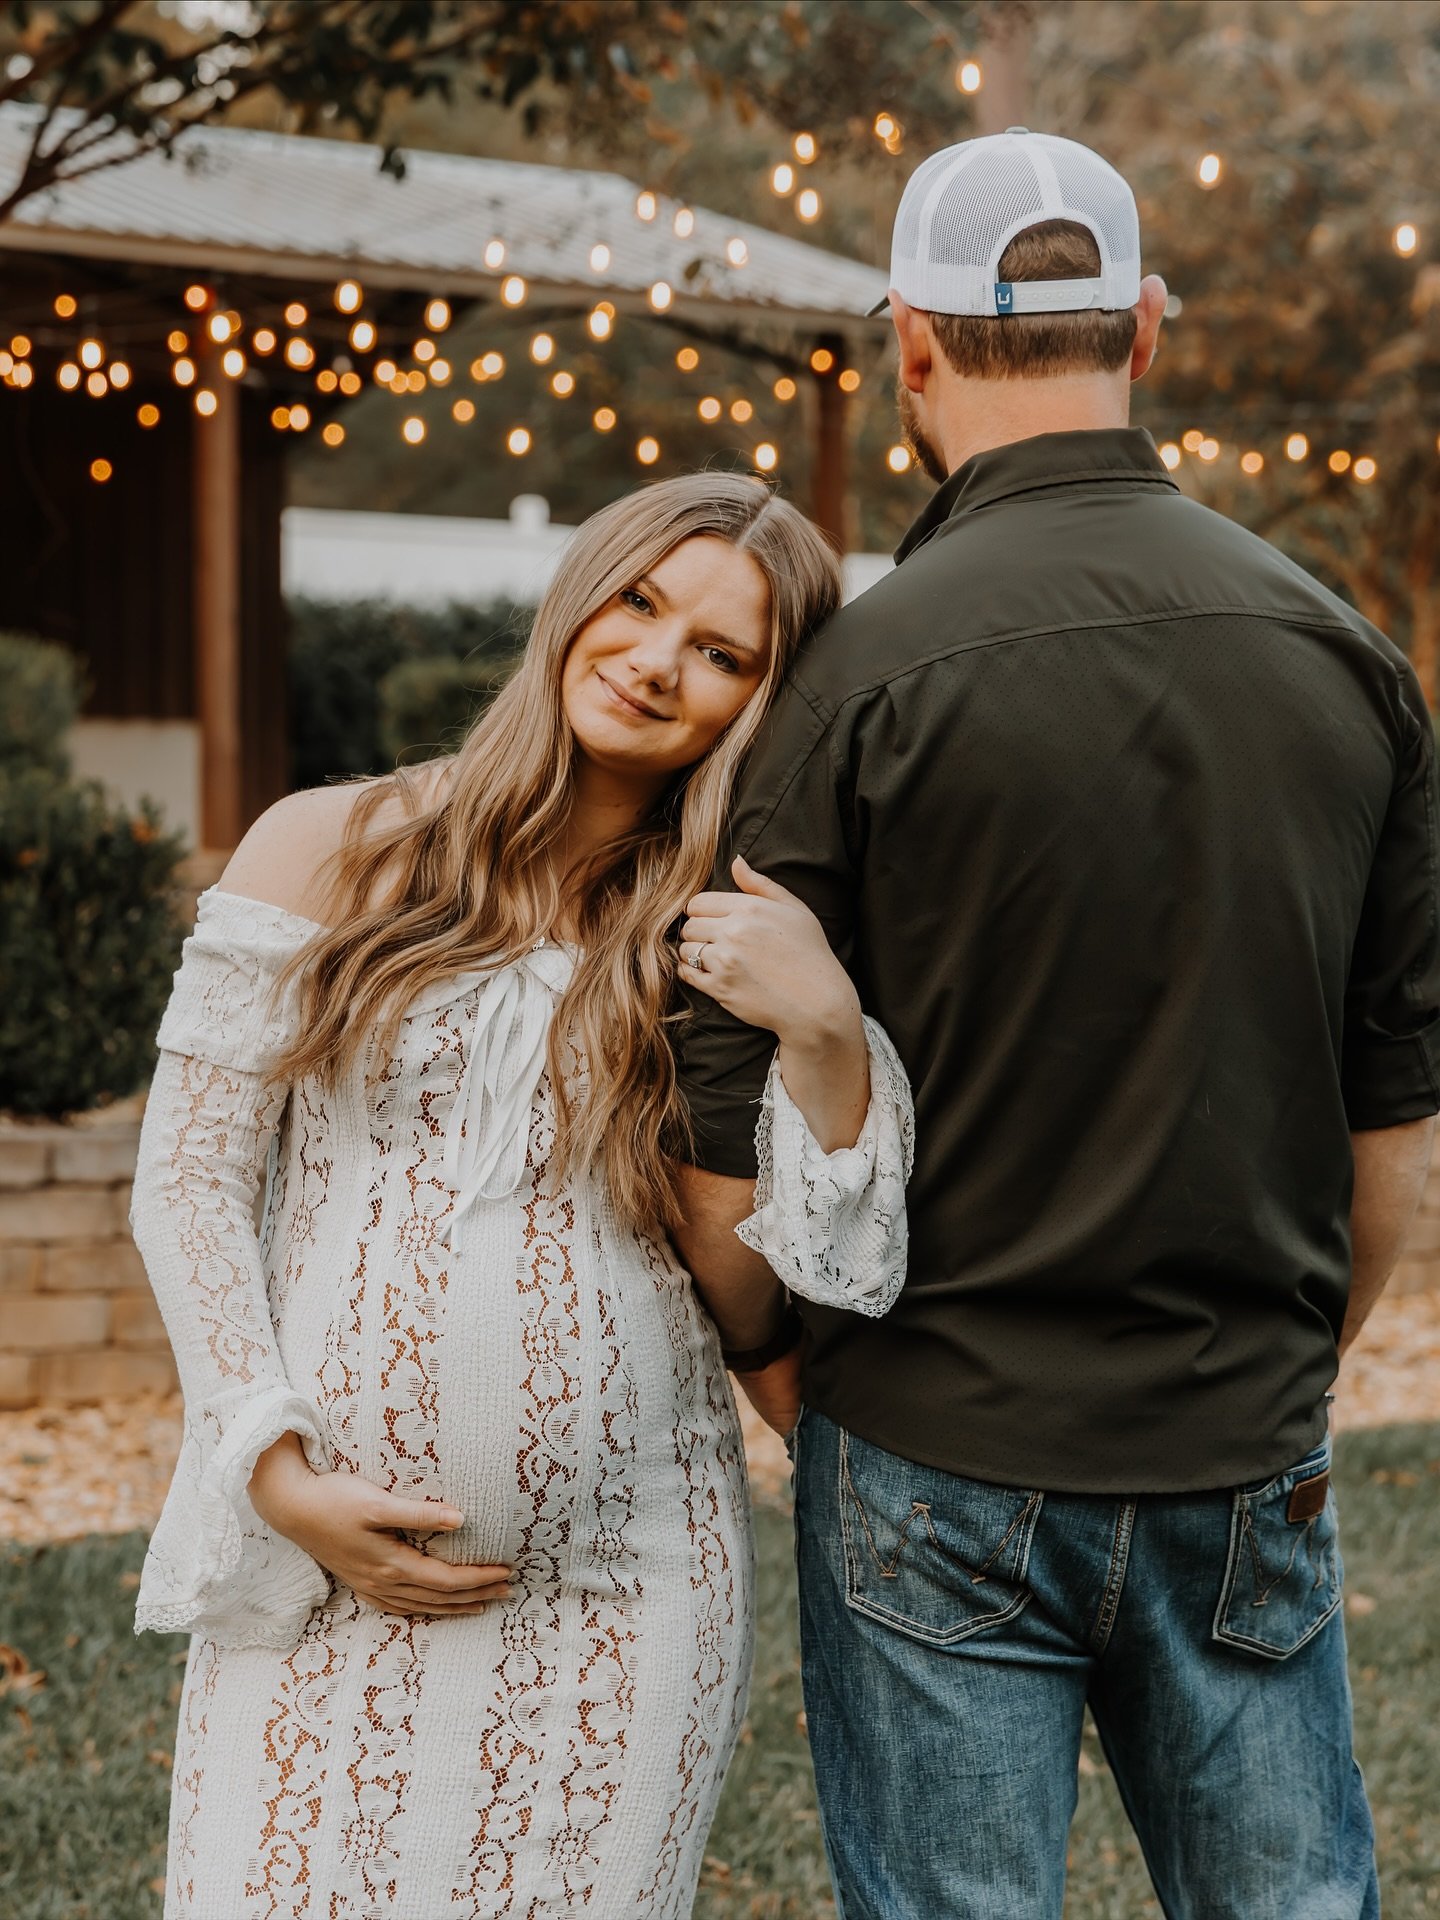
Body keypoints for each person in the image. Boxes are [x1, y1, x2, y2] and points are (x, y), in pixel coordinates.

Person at [673, 129, 1440, 1920]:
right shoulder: (1348, 660)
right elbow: (1393, 1142)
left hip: (927, 1439)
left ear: (911, 342)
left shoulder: (847, 680)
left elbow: (718, 1137)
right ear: (1148, 327)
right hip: (1237, 1437)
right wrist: (1273, 1381)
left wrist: (791, 1379)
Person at [129, 472, 913, 1920]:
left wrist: (822, 1031)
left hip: (631, 1594)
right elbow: (187, 1180)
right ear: (576, 596)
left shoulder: (727, 928)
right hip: (327, 1566)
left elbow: (811, 1256)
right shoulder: (329, 843)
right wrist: (272, 1470)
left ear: (764, 700)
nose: (657, 662)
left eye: (722, 653)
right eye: (640, 603)